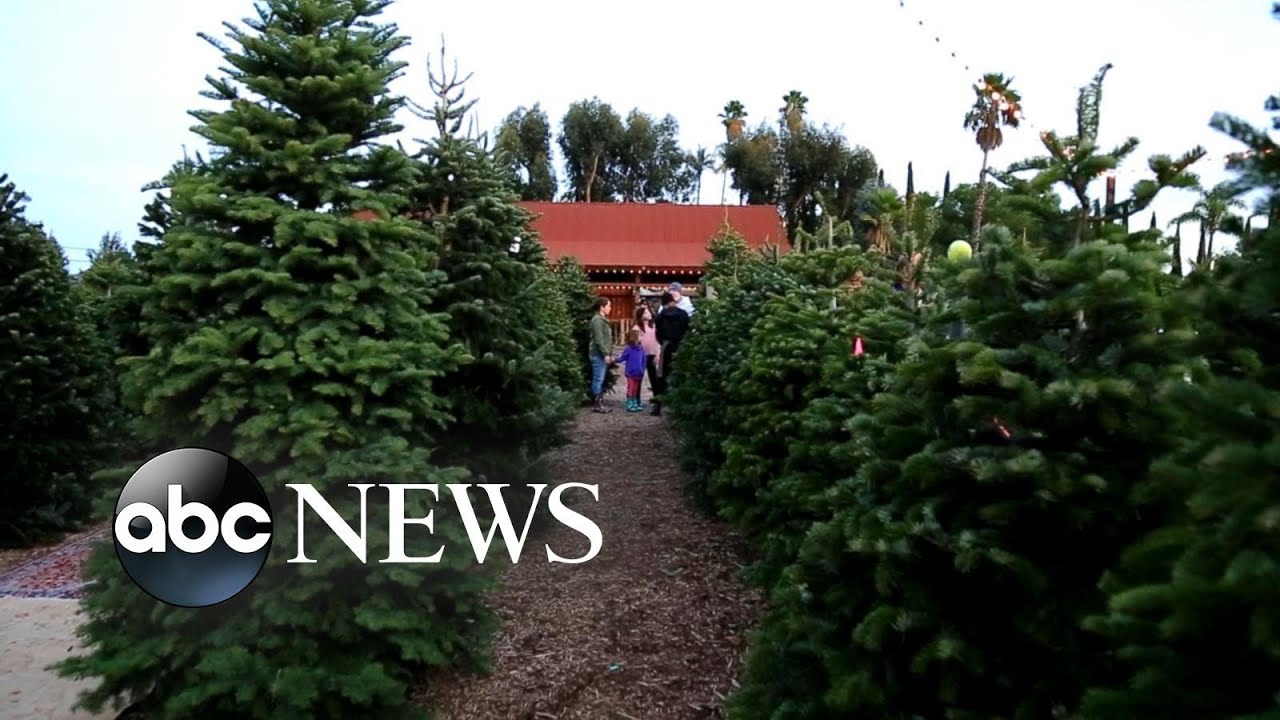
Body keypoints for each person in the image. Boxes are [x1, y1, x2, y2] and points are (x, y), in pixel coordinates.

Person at [651, 291, 691, 416]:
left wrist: (663, 341)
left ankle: (658, 405)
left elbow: (658, 334)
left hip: (666, 346)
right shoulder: (683, 314)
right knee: (680, 375)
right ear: (673, 301)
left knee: (662, 376)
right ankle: (681, 408)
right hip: (680, 346)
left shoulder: (661, 316)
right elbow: (687, 330)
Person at [588, 296, 615, 413]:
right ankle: (598, 404)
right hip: (598, 353)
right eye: (608, 306)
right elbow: (599, 339)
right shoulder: (597, 320)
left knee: (600, 378)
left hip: (602, 353)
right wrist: (605, 353)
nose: (610, 308)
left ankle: (599, 403)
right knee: (598, 378)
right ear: (602, 307)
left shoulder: (602, 319)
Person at [614, 328, 649, 412]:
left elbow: (644, 360)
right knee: (631, 388)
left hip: (639, 373)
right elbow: (622, 358)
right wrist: (614, 359)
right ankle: (629, 403)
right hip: (630, 373)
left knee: (636, 388)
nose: (641, 337)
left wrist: (643, 369)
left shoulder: (641, 349)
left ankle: (634, 402)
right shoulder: (628, 349)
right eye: (640, 336)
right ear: (635, 337)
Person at [634, 305, 661, 399]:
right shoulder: (636, 328)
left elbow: (657, 341)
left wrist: (657, 354)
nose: (648, 314)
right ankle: (636, 399)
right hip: (640, 356)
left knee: (654, 378)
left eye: (649, 312)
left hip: (652, 355)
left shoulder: (654, 326)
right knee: (638, 378)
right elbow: (634, 343)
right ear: (640, 315)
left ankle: (657, 398)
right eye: (645, 312)